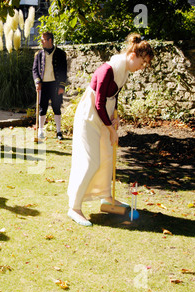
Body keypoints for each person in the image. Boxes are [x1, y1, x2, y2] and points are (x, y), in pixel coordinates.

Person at [67, 33, 154, 226]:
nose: (142, 67)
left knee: (107, 158)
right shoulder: (108, 69)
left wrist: (115, 116)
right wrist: (112, 130)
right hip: (89, 117)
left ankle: (106, 197)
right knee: (90, 161)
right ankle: (74, 207)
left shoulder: (124, 71)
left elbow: (113, 96)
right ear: (133, 55)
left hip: (104, 116)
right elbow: (98, 103)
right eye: (142, 62)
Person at [32, 32, 67, 140]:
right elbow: (34, 70)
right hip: (43, 85)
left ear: (50, 40)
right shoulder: (39, 54)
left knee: (56, 107)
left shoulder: (60, 53)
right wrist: (37, 82)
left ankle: (59, 132)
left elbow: (63, 71)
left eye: (43, 40)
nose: (41, 42)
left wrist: (62, 86)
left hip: (55, 85)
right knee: (43, 108)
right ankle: (41, 131)